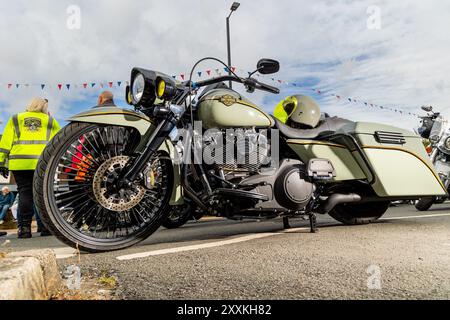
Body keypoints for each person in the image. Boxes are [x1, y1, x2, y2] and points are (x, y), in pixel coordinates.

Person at [0, 98, 60, 238]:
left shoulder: (16, 119)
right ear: (44, 107)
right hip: (42, 163)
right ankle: (45, 228)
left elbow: (5, 143)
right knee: (42, 194)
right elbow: (58, 142)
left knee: (25, 193)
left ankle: (24, 229)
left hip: (20, 163)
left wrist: (2, 162)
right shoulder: (50, 121)